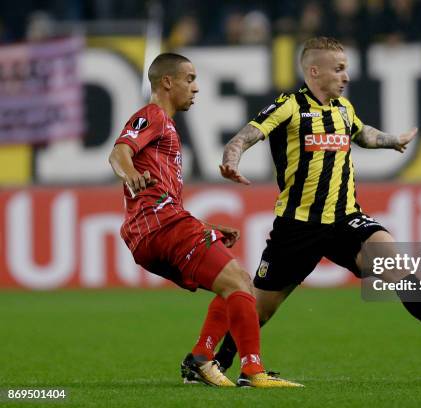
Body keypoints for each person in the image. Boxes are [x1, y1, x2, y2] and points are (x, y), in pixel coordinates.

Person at [216, 37, 421, 371]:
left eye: (346, 69)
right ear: (314, 71)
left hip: (346, 219)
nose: (346, 76)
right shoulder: (289, 106)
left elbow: (362, 134)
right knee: (261, 310)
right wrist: (232, 158)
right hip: (298, 227)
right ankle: (215, 362)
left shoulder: (344, 109)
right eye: (339, 69)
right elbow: (245, 136)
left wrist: (392, 141)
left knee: (392, 258)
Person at [108, 53, 302, 388]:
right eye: (189, 79)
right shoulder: (152, 115)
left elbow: (162, 196)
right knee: (242, 282)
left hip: (151, 234)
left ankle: (200, 358)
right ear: (167, 82)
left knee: (231, 285)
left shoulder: (166, 127)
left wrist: (203, 227)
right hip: (161, 225)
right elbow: (118, 152)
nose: (195, 88)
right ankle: (252, 371)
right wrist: (132, 175)